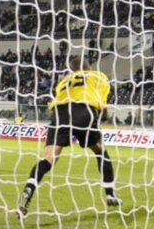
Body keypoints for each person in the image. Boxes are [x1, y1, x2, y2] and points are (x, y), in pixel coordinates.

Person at [16, 56, 120, 218]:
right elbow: (103, 105)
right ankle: (110, 193)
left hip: (60, 114)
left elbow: (56, 104)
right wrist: (103, 117)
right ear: (89, 67)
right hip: (84, 111)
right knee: (101, 151)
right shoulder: (98, 76)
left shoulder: (63, 81)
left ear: (72, 70)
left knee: (48, 159)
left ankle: (27, 193)